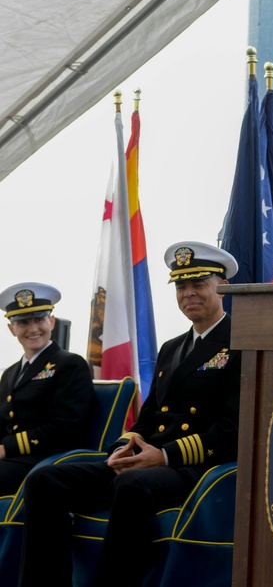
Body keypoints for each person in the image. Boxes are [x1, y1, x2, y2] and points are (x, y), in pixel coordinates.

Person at [19, 242, 241, 587]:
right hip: (147, 459)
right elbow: (148, 416)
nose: (188, 293)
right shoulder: (172, 348)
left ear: (222, 287)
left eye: (199, 284)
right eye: (181, 286)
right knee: (45, 479)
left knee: (132, 483)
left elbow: (233, 429)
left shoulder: (241, 343)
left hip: (192, 467)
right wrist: (126, 446)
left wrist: (164, 455)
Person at [0, 282, 93, 495]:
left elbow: (66, 428)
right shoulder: (10, 373)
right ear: (12, 329)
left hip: (49, 460)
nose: (33, 329)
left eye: (39, 320)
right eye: (23, 322)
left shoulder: (70, 365)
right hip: (15, 459)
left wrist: (8, 448)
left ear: (51, 322)